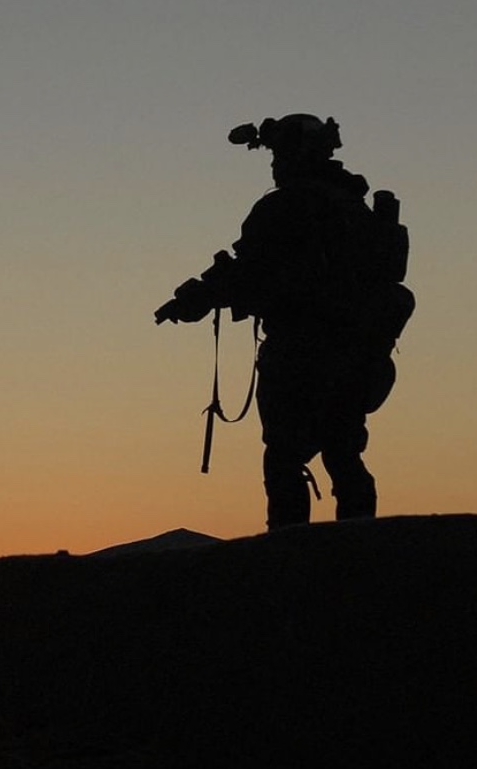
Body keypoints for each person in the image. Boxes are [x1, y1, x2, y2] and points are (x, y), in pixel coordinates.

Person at [155, 114, 413, 529]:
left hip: (302, 353)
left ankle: (289, 555)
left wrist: (193, 300)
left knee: (284, 457)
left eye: (279, 155)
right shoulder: (357, 211)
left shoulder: (286, 206)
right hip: (358, 356)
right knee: (343, 451)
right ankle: (361, 546)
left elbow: (249, 270)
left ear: (298, 155)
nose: (274, 165)